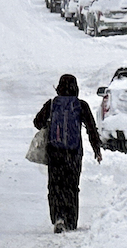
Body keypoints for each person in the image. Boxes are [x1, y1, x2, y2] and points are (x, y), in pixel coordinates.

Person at [33, 74, 102, 233]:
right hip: (74, 153)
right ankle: (71, 221)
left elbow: (37, 122)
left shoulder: (52, 104)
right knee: (71, 186)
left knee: (55, 186)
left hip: (55, 153)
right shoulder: (80, 105)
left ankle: (58, 218)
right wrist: (96, 149)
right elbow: (91, 128)